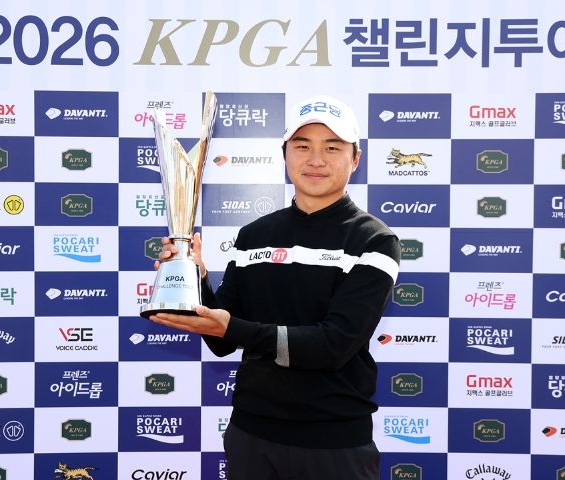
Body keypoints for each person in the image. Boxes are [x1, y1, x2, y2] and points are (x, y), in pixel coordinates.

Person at [151, 94, 401, 480]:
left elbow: (333, 345)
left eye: (332, 147)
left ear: (355, 159)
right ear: (285, 155)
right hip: (251, 435)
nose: (315, 160)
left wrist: (232, 327)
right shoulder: (254, 235)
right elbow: (222, 341)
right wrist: (195, 278)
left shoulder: (374, 240)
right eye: (302, 146)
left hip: (334, 443)